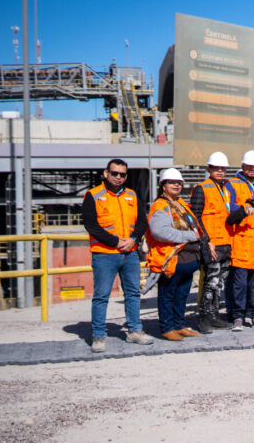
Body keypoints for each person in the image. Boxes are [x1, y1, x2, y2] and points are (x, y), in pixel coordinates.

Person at [82, 158, 152, 352]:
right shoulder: (93, 195)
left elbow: (141, 221)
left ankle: (135, 331)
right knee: (102, 295)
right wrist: (114, 242)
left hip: (129, 254)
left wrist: (134, 239)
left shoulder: (132, 195)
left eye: (122, 174)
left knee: (132, 293)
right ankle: (98, 336)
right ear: (106, 174)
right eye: (114, 173)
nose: (118, 177)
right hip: (104, 254)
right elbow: (91, 225)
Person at [146, 168, 206, 340]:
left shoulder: (181, 203)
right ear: (163, 186)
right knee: (168, 294)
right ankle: (167, 327)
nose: (176, 185)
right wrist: (189, 236)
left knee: (182, 294)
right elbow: (160, 232)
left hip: (187, 259)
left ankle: (179, 325)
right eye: (172, 182)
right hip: (172, 259)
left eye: (179, 183)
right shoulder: (161, 206)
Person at [189, 151, 235, 333]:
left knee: (219, 282)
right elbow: (195, 218)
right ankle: (204, 319)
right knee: (210, 281)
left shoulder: (224, 189)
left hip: (225, 243)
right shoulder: (202, 188)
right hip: (212, 245)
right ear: (209, 169)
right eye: (216, 168)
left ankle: (214, 316)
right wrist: (206, 242)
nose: (220, 171)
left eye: (223, 169)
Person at [225, 180, 254, 330]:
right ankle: (238, 316)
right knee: (239, 287)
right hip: (241, 256)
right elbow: (230, 220)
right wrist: (242, 213)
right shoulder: (245, 207)